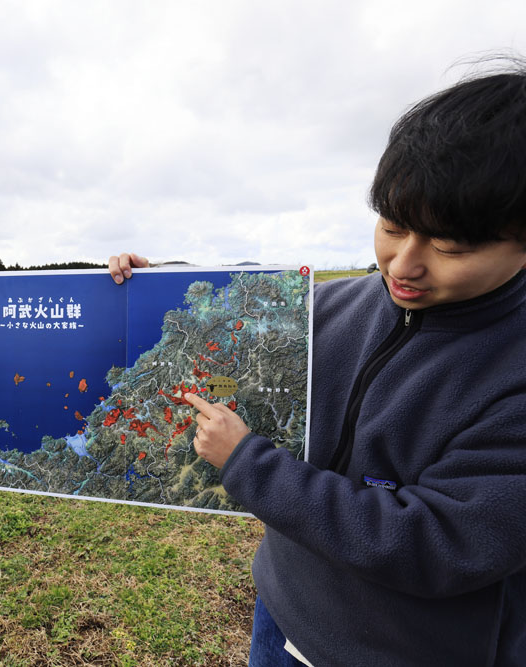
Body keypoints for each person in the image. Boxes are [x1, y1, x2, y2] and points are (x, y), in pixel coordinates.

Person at [108, 62, 526, 665]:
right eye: (393, 226)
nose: (403, 265)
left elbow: (436, 544)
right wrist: (161, 287)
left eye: (450, 247)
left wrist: (248, 464)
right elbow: (243, 321)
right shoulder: (337, 305)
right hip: (282, 618)